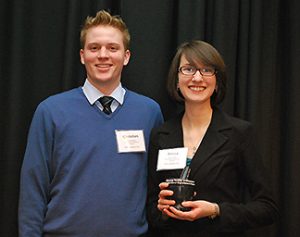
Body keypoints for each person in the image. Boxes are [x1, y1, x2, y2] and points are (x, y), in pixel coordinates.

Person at [18, 10, 163, 237]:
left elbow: (157, 187)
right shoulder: (51, 111)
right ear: (82, 55)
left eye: (112, 48)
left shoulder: (149, 112)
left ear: (126, 56)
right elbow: (33, 188)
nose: (103, 55)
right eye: (94, 48)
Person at [146, 40, 278, 237]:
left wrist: (216, 210)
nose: (197, 78)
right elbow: (150, 211)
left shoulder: (239, 133)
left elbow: (268, 208)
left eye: (207, 70)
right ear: (176, 80)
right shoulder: (161, 135)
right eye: (188, 69)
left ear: (217, 82)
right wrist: (162, 211)